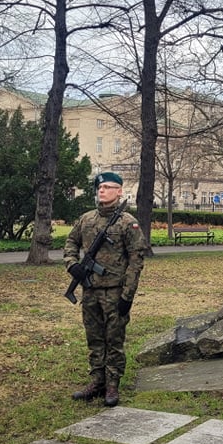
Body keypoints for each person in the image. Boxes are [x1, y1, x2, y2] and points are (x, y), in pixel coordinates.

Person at [64, 172, 147, 407]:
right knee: (95, 338)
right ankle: (97, 381)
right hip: (90, 291)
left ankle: (112, 385)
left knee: (114, 339)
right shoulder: (87, 219)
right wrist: (73, 266)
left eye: (108, 187)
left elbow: (136, 261)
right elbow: (71, 242)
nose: (102, 190)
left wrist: (127, 296)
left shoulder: (127, 223)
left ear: (119, 191)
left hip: (114, 292)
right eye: (100, 187)